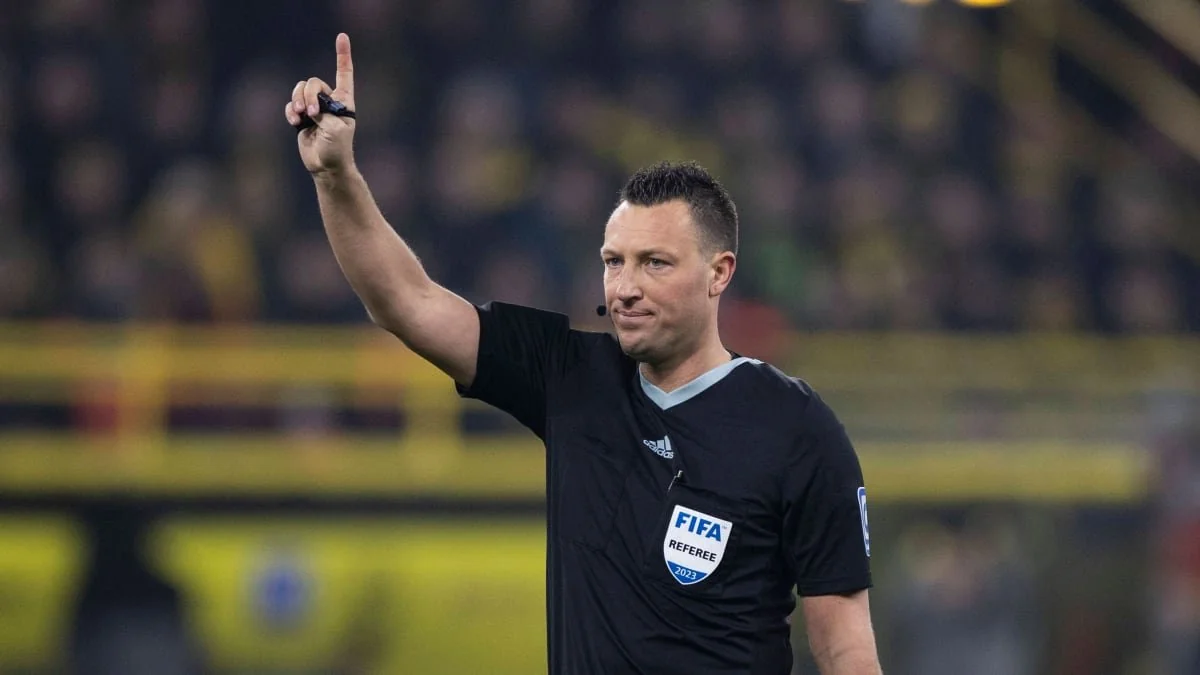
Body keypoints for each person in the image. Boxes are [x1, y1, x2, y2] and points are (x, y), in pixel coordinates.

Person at [284, 33, 882, 675]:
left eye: (655, 263)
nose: (625, 287)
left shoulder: (796, 429)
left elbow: (844, 648)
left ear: (719, 273)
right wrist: (336, 176)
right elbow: (406, 302)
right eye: (613, 262)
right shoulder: (569, 375)